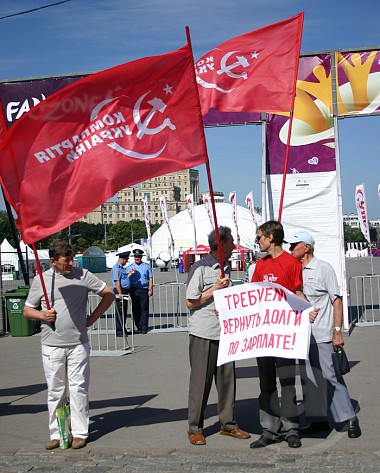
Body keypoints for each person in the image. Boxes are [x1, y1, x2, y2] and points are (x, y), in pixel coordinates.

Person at [23, 240, 115, 450]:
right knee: (56, 390)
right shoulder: (42, 280)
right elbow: (27, 310)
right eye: (67, 260)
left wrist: (92, 318)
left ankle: (80, 432)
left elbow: (108, 294)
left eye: (72, 258)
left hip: (77, 343)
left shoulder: (83, 275)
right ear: (54, 261)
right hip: (51, 344)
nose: (72, 263)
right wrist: (42, 315)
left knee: (78, 388)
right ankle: (57, 433)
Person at [249, 220, 317, 449]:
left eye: (259, 237)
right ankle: (269, 429)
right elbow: (251, 296)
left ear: (271, 237)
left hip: (285, 333)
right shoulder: (260, 266)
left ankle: (291, 429)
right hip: (264, 334)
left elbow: (298, 291)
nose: (257, 241)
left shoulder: (291, 263)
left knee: (287, 382)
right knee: (266, 384)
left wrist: (308, 308)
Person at [288, 229, 361, 438]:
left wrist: (337, 332)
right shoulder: (293, 269)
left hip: (321, 334)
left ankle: (349, 418)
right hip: (301, 337)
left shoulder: (323, 268)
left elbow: (336, 300)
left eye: (294, 245)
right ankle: (317, 419)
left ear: (307, 247)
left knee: (330, 376)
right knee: (308, 379)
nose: (291, 248)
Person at [186, 225, 251, 446]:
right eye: (231, 242)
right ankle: (195, 427)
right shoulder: (200, 268)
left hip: (225, 333)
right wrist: (215, 288)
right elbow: (190, 301)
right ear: (221, 244)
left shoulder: (227, 267)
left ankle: (228, 424)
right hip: (204, 332)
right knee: (200, 383)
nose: (234, 245)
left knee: (227, 383)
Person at [126, 249, 153, 334]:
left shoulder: (146, 266)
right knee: (136, 309)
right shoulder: (129, 267)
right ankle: (139, 326)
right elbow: (126, 278)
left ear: (141, 257)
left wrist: (150, 289)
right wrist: (131, 273)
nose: (137, 258)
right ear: (134, 257)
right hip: (134, 290)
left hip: (144, 289)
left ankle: (144, 327)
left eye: (139, 257)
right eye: (136, 257)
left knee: (144, 309)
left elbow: (150, 278)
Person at [111, 251, 135, 337]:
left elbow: (124, 278)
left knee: (124, 311)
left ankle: (123, 328)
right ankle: (119, 330)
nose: (126, 262)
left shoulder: (121, 268)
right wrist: (120, 294)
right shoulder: (116, 268)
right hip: (120, 291)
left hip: (123, 291)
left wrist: (130, 274)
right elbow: (117, 282)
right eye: (126, 260)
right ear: (123, 259)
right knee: (120, 311)